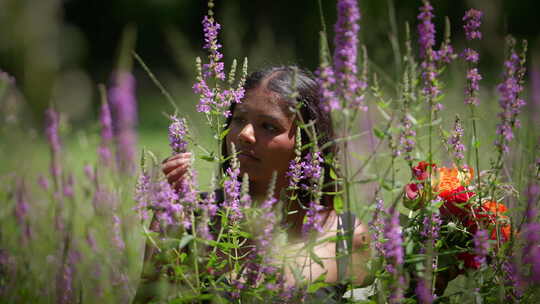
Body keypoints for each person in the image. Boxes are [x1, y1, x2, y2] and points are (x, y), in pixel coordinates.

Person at [137, 66, 372, 303]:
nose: (245, 134)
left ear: (310, 141)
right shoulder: (197, 220)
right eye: (239, 120)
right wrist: (164, 216)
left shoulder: (347, 237)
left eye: (269, 126)